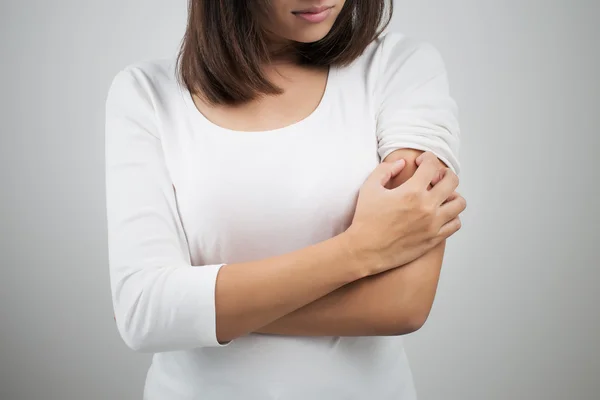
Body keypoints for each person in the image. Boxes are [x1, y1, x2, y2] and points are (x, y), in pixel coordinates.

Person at [104, 0, 466, 399]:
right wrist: (360, 250)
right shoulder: (147, 93)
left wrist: (200, 310)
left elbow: (403, 302)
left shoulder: (398, 67)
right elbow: (145, 313)